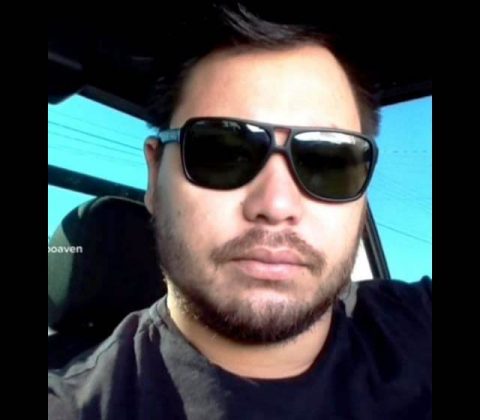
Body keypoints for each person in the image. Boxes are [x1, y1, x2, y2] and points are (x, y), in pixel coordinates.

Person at [48, 4, 432, 419]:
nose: (276, 205)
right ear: (155, 177)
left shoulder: (419, 325)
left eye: (328, 163)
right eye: (221, 154)